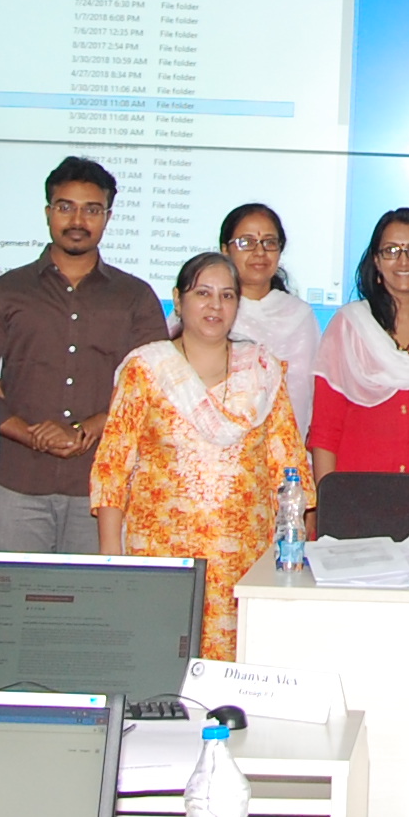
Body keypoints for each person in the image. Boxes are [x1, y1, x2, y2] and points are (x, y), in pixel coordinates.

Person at [93, 253, 309, 661]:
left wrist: (293, 550)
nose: (215, 305)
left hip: (244, 556)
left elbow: (288, 460)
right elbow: (112, 465)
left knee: (238, 667)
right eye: (203, 293)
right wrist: (111, 557)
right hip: (161, 555)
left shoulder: (261, 369)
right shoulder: (147, 368)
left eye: (227, 295)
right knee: (160, 664)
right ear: (178, 299)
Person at [0, 158, 169, 554]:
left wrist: (89, 428)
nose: (78, 220)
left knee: (91, 593)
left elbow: (153, 389)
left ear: (108, 217)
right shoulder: (5, 292)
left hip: (102, 488)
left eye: (91, 209)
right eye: (66, 207)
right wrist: (28, 433)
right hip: (18, 483)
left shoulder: (135, 297)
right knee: (18, 592)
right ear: (48, 212)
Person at [309, 209, 409, 480]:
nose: (403, 260)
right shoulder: (348, 327)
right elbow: (325, 430)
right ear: (376, 260)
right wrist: (326, 497)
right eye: (391, 250)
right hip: (357, 491)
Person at [220, 203, 319, 437]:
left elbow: (313, 397)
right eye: (246, 242)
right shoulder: (209, 312)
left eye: (269, 242)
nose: (259, 252)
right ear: (225, 250)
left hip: (288, 448)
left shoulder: (300, 316)